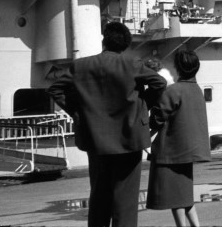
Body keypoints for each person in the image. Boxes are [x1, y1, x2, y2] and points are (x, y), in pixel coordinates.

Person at [47, 21, 166, 227]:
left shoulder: (81, 65)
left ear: (104, 41)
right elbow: (160, 83)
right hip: (129, 137)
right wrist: (143, 104)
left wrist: (78, 112)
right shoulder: (132, 63)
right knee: (126, 199)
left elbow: (56, 89)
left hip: (95, 138)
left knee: (99, 193)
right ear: (126, 44)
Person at [147, 50, 211, 227]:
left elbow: (157, 118)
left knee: (175, 196)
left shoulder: (173, 90)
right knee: (184, 194)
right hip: (189, 149)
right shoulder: (197, 90)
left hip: (171, 151)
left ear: (177, 67)